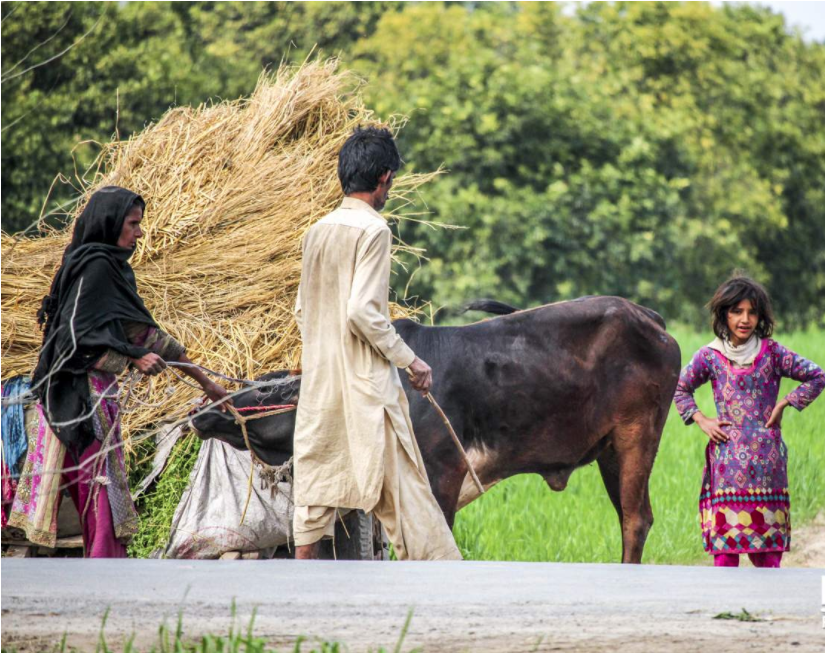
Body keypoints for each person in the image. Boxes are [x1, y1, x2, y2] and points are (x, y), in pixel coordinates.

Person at [8, 186, 230, 557]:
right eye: (133, 224)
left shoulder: (109, 269)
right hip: (79, 400)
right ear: (111, 224)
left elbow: (145, 335)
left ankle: (102, 566)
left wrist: (205, 381)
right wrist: (133, 356)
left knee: (95, 491)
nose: (139, 233)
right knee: (100, 493)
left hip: (97, 400)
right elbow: (71, 339)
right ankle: (105, 572)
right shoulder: (95, 268)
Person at [291, 127, 461, 560]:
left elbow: (301, 311)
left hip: (320, 386)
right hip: (367, 391)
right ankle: (443, 584)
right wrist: (411, 361)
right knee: (407, 499)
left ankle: (295, 589)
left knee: (313, 494)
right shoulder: (374, 230)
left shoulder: (316, 231)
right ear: (384, 178)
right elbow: (363, 312)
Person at [673, 274, 824, 568]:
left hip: (768, 467)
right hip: (726, 466)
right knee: (726, 558)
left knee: (767, 560)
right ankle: (727, 614)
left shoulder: (773, 353)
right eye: (736, 311)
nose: (745, 319)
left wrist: (785, 403)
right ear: (724, 314)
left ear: (760, 316)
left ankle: (764, 612)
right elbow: (680, 387)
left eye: (752, 312)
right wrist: (702, 420)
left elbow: (818, 375)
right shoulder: (710, 356)